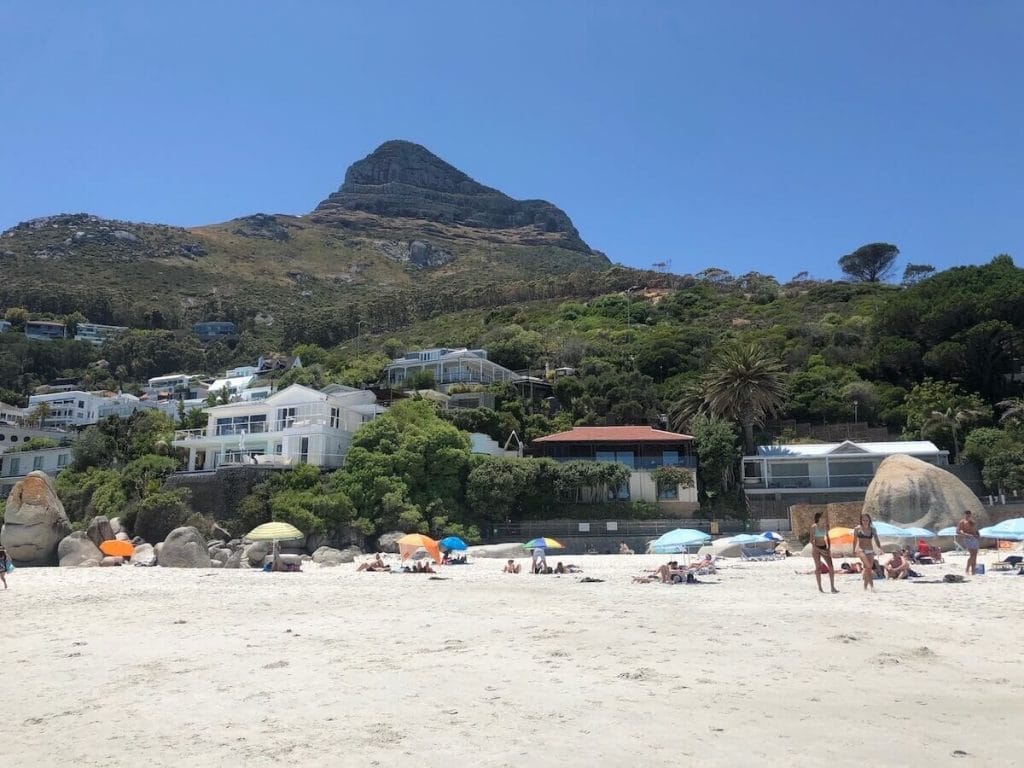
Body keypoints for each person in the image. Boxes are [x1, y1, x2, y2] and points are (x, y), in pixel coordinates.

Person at [808, 512, 839, 594]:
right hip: (816, 548)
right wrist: (818, 549)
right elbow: (811, 540)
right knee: (818, 568)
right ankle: (820, 588)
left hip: (824, 547)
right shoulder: (814, 527)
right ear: (818, 518)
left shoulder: (825, 526)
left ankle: (832, 587)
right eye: (823, 517)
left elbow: (828, 538)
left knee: (831, 567)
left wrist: (829, 548)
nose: (824, 518)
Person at [852, 513, 883, 591]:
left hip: (870, 550)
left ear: (869, 520)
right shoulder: (857, 529)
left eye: (867, 520)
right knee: (868, 566)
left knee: (867, 569)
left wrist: (880, 548)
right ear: (861, 520)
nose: (865, 521)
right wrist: (853, 550)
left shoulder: (872, 529)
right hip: (860, 550)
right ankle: (872, 586)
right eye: (863, 520)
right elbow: (855, 540)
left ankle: (865, 587)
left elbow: (876, 539)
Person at [956, 510, 980, 576]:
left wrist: (978, 535)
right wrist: (966, 534)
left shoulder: (972, 522)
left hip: (975, 539)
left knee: (975, 556)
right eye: (967, 515)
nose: (968, 516)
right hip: (968, 539)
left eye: (969, 515)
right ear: (965, 515)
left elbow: (976, 530)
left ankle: (973, 571)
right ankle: (967, 570)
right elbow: (958, 531)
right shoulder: (962, 522)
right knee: (972, 555)